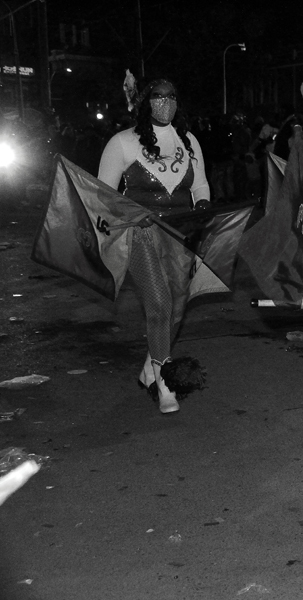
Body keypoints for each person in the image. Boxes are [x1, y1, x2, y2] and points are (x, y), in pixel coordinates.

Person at [98, 77, 212, 414]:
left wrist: (203, 206)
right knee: (159, 302)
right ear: (146, 101)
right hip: (140, 232)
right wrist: (133, 213)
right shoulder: (121, 142)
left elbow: (201, 185)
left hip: (181, 233)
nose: (166, 103)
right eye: (159, 97)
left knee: (177, 304)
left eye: (172, 96)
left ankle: (150, 367)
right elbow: (103, 195)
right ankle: (165, 381)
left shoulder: (188, 141)